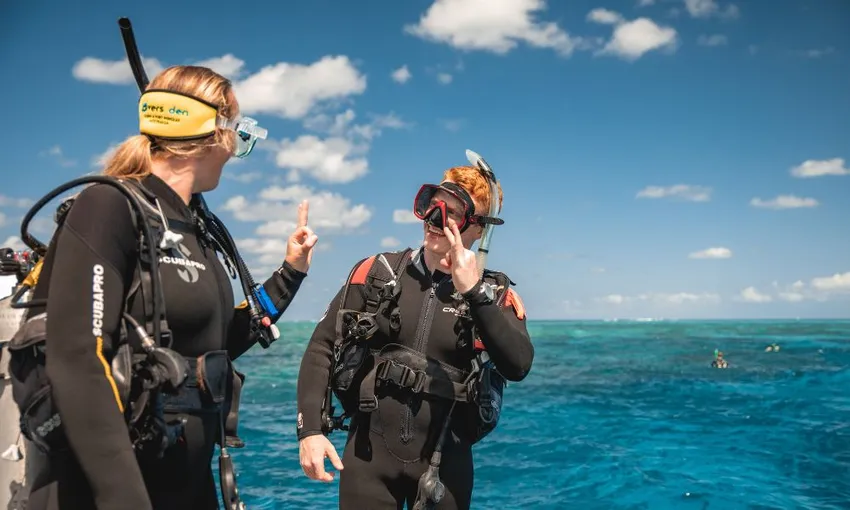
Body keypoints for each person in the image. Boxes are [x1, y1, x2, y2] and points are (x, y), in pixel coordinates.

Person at [20, 65, 318, 510]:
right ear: (214, 132)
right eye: (237, 128)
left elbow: (219, 343)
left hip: (185, 481)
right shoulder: (109, 206)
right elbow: (78, 357)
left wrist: (290, 273)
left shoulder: (197, 228)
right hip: (105, 489)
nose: (237, 144)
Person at [295, 165, 534, 510]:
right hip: (368, 458)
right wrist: (310, 431)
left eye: (452, 213)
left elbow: (519, 364)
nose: (435, 219)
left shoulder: (493, 294)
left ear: (478, 229)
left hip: (445, 468)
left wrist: (475, 295)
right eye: (432, 205)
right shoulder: (378, 273)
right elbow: (322, 347)